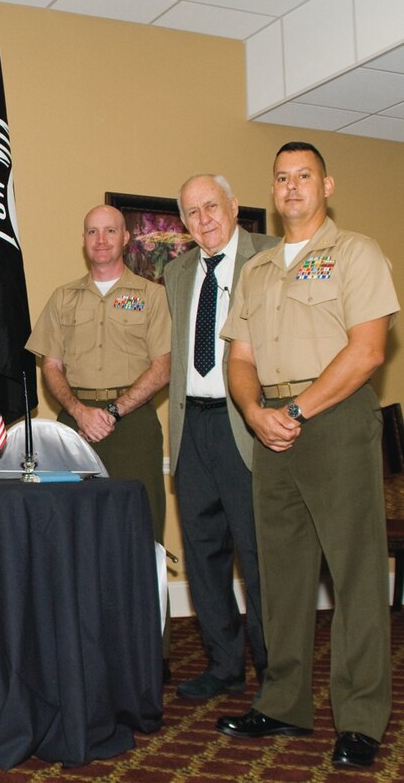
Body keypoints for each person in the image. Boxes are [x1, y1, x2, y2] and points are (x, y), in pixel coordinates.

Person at [217, 142, 398, 769]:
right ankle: (284, 701)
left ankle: (362, 717)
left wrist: (297, 411)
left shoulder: (355, 253)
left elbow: (369, 350)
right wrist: (256, 411)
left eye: (305, 177)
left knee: (356, 575)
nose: (292, 187)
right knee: (282, 576)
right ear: (273, 189)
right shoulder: (257, 268)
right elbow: (239, 358)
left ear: (327, 186)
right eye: (282, 178)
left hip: (334, 418)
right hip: (270, 425)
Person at [26, 204, 171, 671]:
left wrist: (113, 410)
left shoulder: (152, 296)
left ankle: (148, 652)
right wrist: (79, 412)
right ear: (83, 239)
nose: (101, 240)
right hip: (75, 425)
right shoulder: (63, 298)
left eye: (110, 231)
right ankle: (78, 647)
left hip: (133, 426)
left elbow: (163, 365)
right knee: (72, 538)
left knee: (140, 535)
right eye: (92, 232)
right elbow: (50, 364)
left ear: (126, 237)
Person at [164, 175, 274, 701]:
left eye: (212, 206)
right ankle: (225, 665)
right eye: (192, 212)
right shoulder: (176, 272)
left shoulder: (271, 255)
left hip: (245, 423)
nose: (203, 218)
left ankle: (277, 672)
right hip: (192, 428)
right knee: (204, 554)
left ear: (233, 206)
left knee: (258, 555)